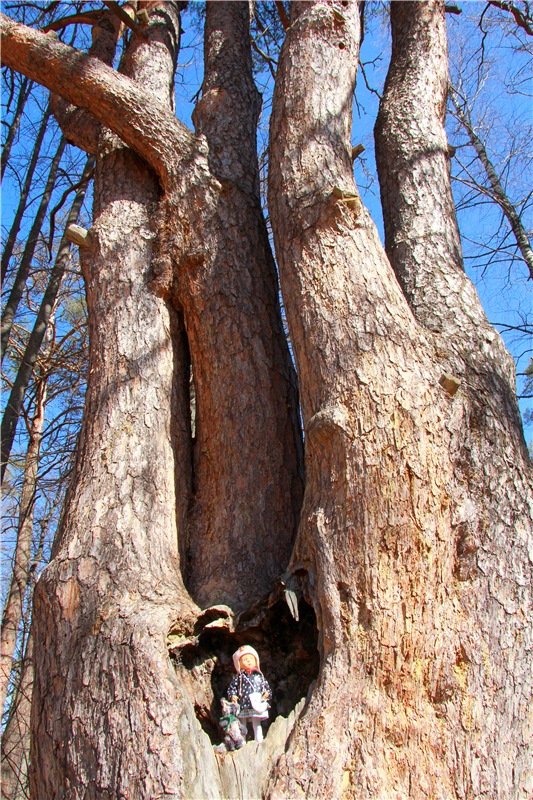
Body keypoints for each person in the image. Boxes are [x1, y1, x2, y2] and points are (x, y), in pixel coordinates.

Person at [227, 645, 271, 743]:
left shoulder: (259, 676)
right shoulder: (240, 678)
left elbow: (266, 688)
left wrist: (266, 694)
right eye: (245, 659)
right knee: (242, 724)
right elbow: (232, 688)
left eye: (251, 658)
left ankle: (259, 739)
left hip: (256, 703)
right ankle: (242, 741)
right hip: (244, 703)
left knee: (256, 723)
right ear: (239, 664)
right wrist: (233, 695)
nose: (249, 661)